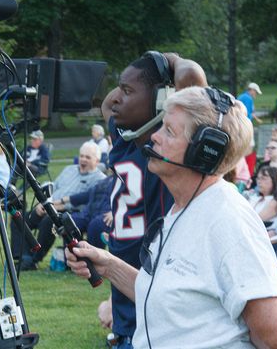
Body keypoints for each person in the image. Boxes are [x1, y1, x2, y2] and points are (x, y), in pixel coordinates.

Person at [67, 86, 277, 348]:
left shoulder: (229, 221)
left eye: (169, 131)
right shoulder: (181, 209)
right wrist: (109, 266)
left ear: (204, 151)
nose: (155, 137)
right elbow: (163, 297)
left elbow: (276, 338)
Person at [100, 51, 205, 347]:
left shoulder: (171, 146)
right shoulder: (124, 137)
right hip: (126, 283)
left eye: (128, 91)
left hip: (158, 290)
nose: (118, 97)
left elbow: (193, 78)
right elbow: (108, 103)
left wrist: (171, 59)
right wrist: (148, 67)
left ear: (162, 99)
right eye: (120, 88)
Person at [14, 141, 106, 270]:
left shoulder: (99, 179)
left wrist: (53, 207)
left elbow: (84, 203)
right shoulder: (69, 169)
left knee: (48, 222)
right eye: (81, 156)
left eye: (88, 157)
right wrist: (44, 203)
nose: (83, 159)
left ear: (97, 160)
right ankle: (22, 257)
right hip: (49, 205)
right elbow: (54, 187)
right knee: (19, 218)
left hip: (69, 213)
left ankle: (33, 260)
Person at [56, 175, 114, 249]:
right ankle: (72, 256)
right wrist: (60, 201)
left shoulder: (125, 179)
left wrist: (116, 212)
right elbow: (86, 195)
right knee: (70, 221)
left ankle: (93, 258)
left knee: (96, 225)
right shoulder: (105, 180)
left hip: (107, 215)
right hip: (88, 213)